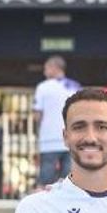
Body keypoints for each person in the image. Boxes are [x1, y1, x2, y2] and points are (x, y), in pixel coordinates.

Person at [32, 56, 81, 186]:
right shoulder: (75, 87)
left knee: (46, 183)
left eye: (46, 68)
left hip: (49, 141)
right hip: (71, 139)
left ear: (54, 68)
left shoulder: (43, 87)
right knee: (69, 183)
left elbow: (37, 115)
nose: (44, 72)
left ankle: (45, 206)